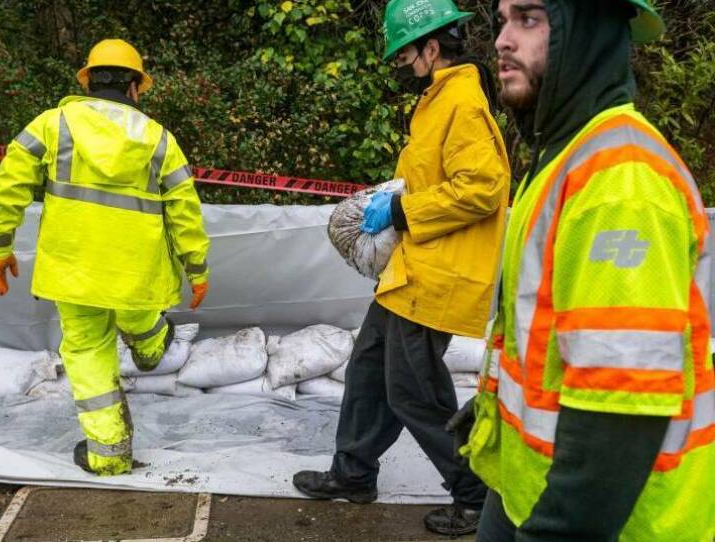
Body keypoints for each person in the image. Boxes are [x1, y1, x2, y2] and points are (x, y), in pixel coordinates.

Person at [450, 1, 715, 540]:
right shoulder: (562, 157)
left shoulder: (621, 183)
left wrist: (557, 531)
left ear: (589, 34)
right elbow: (545, 339)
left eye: (529, 19)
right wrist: (493, 408)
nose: (502, 39)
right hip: (529, 484)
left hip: (619, 520)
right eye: (502, 20)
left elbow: (620, 410)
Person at [293, 0, 511, 536]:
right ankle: (353, 474)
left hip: (438, 275)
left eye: (406, 54)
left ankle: (474, 494)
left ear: (431, 48)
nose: (402, 66)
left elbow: (482, 189)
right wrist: (396, 200)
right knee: (368, 370)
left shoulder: (461, 102)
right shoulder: (437, 101)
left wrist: (399, 209)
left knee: (414, 390)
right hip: (411, 271)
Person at [0, 39, 210, 476]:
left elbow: (7, 184)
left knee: (88, 350)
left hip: (73, 268)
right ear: (135, 88)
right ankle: (149, 343)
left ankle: (109, 454)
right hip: (136, 270)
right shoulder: (159, 139)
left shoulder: (52, 125)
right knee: (137, 308)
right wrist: (197, 269)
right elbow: (185, 209)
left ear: (87, 80)